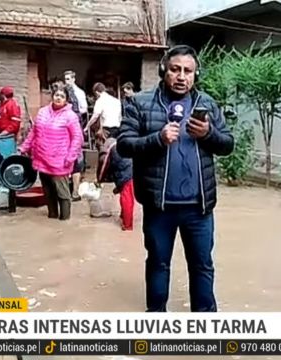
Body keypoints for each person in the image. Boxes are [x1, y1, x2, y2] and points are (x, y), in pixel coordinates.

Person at [116, 45, 235, 312]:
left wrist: (208, 134)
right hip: (160, 207)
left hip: (199, 207)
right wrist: (157, 139)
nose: (181, 76)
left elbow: (227, 145)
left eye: (188, 71)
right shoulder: (140, 103)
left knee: (202, 265)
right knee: (158, 263)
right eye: (175, 69)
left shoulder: (207, 104)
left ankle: (204, 324)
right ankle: (157, 320)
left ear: (195, 74)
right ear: (163, 70)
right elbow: (124, 145)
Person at [19, 85, 83, 220]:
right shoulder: (42, 112)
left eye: (62, 96)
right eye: (56, 95)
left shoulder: (70, 116)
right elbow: (33, 132)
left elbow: (77, 137)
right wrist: (24, 147)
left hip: (60, 161)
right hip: (41, 158)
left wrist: (70, 157)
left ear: (66, 100)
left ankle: (64, 220)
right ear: (52, 96)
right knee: (48, 192)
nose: (58, 98)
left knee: (63, 193)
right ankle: (52, 216)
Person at [99, 137, 135, 231]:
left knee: (126, 199)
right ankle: (124, 216)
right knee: (127, 197)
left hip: (127, 174)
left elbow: (104, 165)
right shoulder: (126, 142)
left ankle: (127, 225)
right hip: (134, 172)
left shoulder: (110, 147)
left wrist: (99, 180)